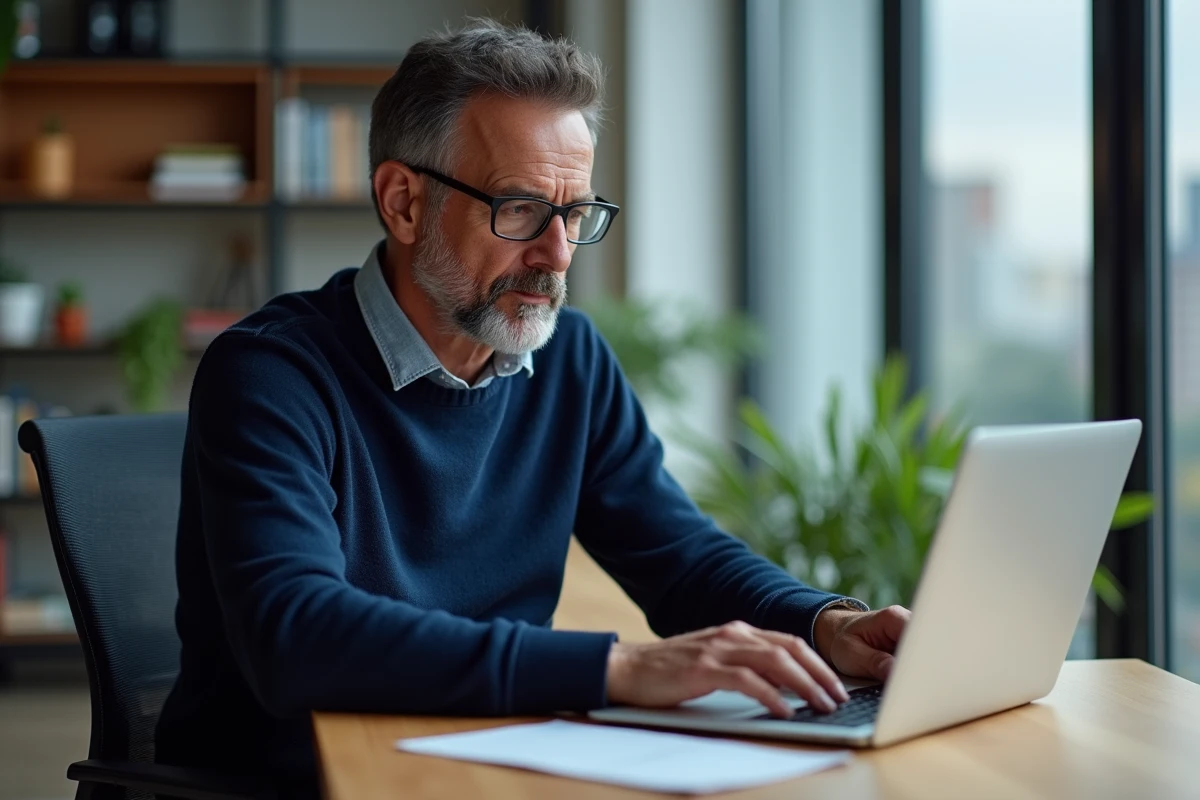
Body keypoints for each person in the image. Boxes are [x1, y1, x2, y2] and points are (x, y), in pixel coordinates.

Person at [155, 19, 910, 797]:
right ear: (404, 203)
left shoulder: (570, 360)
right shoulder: (272, 374)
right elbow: (296, 635)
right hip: (300, 778)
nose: (556, 254)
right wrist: (616, 668)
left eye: (575, 214)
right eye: (518, 208)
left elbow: (680, 557)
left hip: (492, 754)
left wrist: (826, 623)